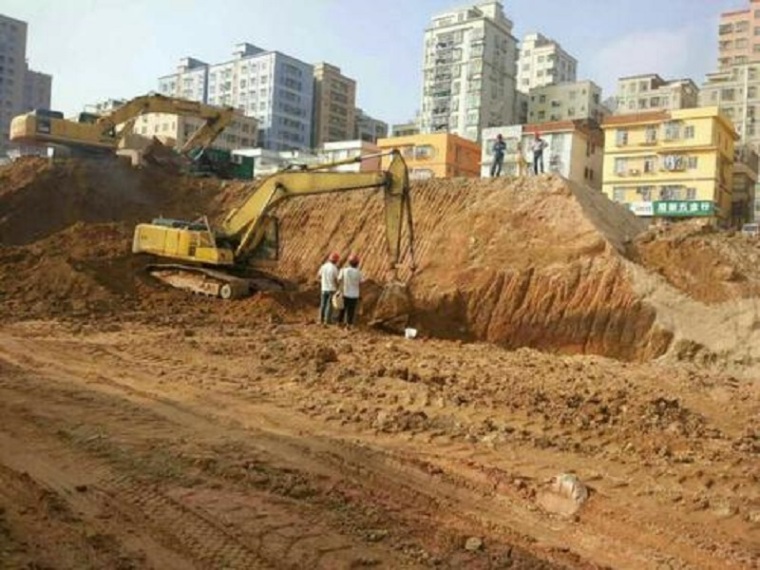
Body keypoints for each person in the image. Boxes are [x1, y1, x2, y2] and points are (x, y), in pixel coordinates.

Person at [337, 254, 364, 326]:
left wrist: (339, 290)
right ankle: (349, 324)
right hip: (354, 294)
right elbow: (361, 283)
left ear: (349, 262)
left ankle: (340, 322)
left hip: (345, 292)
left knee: (342, 308)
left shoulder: (343, 270)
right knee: (351, 310)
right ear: (357, 263)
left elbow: (339, 280)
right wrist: (360, 293)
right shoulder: (359, 273)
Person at [317, 251, 340, 324]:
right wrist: (338, 287)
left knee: (323, 304)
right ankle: (327, 320)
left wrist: (323, 281)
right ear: (336, 260)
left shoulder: (323, 266)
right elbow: (337, 280)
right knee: (329, 306)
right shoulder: (334, 268)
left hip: (324, 288)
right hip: (331, 289)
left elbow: (318, 276)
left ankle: (320, 319)